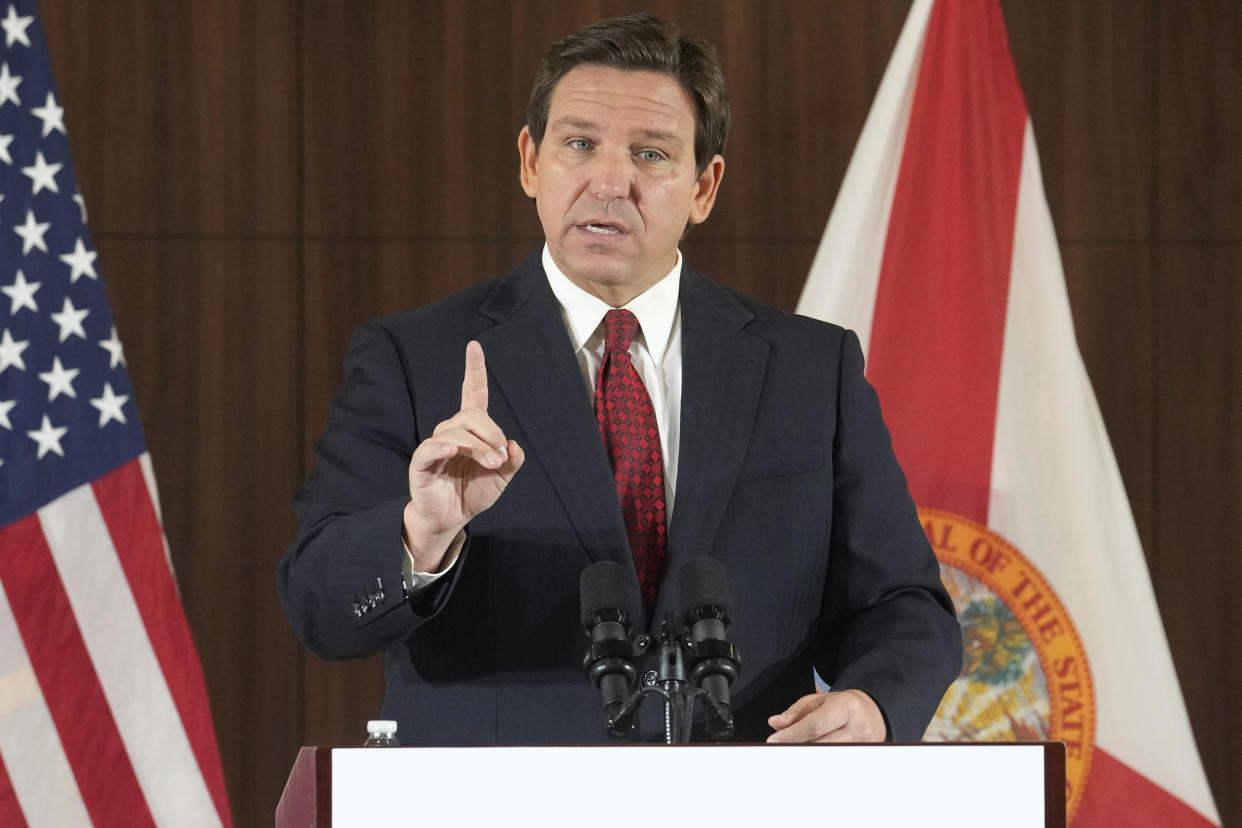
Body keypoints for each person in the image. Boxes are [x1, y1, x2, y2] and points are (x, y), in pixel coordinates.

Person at [277, 12, 961, 745]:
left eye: (652, 153)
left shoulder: (810, 370)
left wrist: (874, 705)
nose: (610, 182)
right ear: (530, 161)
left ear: (705, 186)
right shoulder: (414, 358)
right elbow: (318, 603)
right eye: (579, 144)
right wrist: (423, 534)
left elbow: (903, 603)